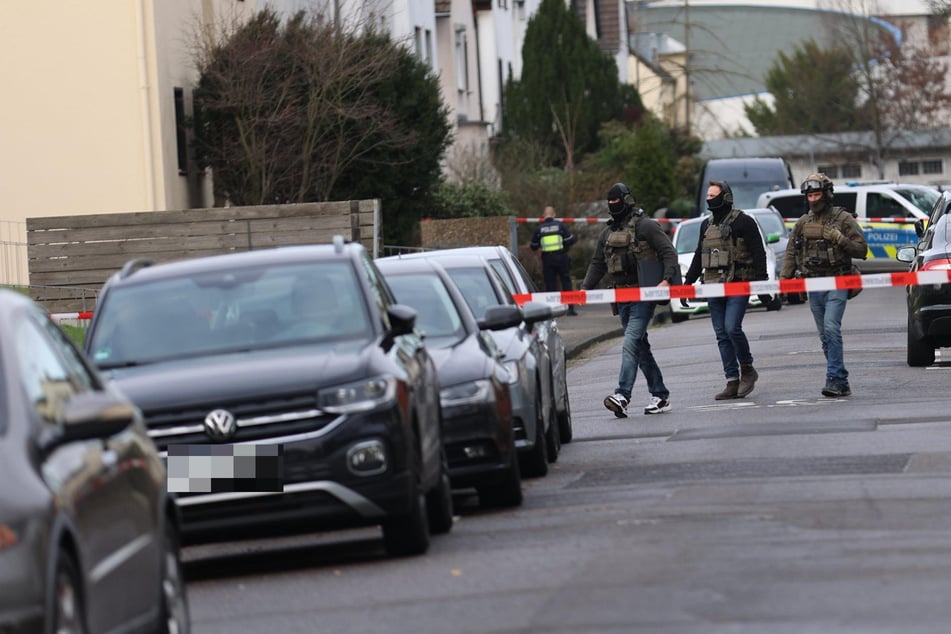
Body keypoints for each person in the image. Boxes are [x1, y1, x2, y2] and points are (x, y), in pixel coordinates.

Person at [580, 182, 680, 417]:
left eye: (617, 202)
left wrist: (666, 280)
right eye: (610, 203)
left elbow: (668, 252)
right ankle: (661, 395)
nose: (614, 206)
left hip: (643, 296)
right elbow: (597, 263)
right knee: (640, 348)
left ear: (627, 201)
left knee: (630, 343)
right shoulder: (607, 233)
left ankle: (622, 395)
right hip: (621, 298)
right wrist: (584, 289)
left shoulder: (646, 226)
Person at [779, 173, 868, 397]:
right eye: (809, 195)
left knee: (831, 327)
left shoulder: (843, 219)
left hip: (838, 280)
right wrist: (784, 281)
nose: (813, 199)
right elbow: (791, 251)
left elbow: (861, 250)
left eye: (817, 193)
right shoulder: (802, 223)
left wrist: (839, 238)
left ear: (826, 194)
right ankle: (839, 378)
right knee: (824, 336)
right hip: (814, 283)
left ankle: (836, 379)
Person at [682, 180, 769, 400]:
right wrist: (687, 284)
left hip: (738, 283)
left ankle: (747, 370)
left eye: (713, 195)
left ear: (726, 197)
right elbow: (698, 255)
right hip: (713, 286)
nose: (709, 199)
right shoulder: (706, 225)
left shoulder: (744, 222)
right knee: (721, 335)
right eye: (708, 196)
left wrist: (763, 285)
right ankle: (732, 381)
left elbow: (759, 254)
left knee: (732, 328)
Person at [530, 205, 579, 316]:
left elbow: (533, 246)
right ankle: (570, 308)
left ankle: (553, 309)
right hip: (561, 257)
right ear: (554, 215)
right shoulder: (560, 226)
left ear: (543, 216)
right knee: (566, 282)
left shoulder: (539, 229)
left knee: (550, 284)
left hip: (547, 259)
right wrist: (565, 245)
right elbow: (571, 240)